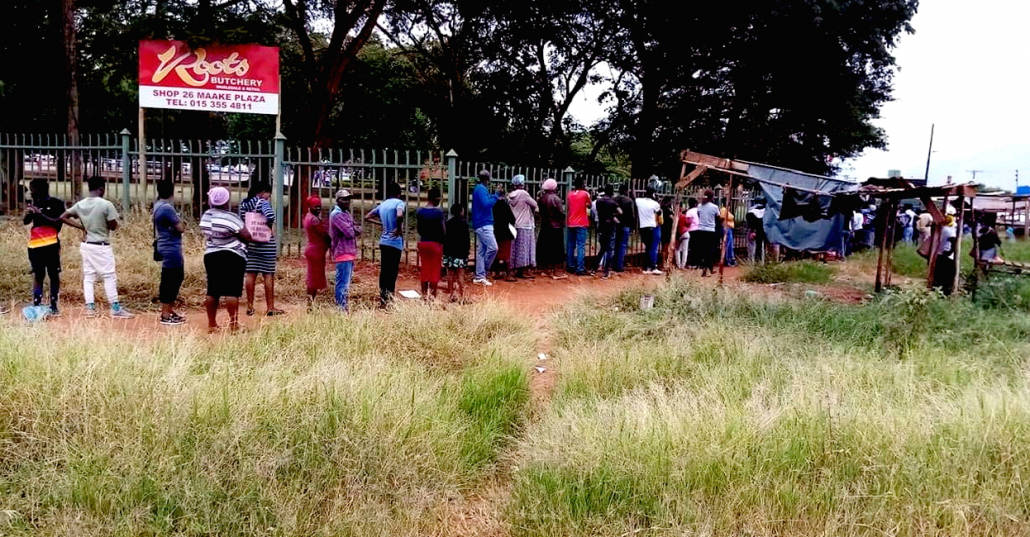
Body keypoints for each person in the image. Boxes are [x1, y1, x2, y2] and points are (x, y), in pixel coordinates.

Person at [60, 176, 133, 318]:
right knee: (109, 276)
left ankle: (90, 308)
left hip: (86, 245)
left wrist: (82, 227)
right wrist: (115, 224)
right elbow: (113, 226)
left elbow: (63, 216)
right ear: (102, 189)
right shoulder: (106, 205)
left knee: (89, 276)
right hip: (101, 245)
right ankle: (115, 307)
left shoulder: (81, 204)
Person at [199, 187, 251, 332]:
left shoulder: (206, 216)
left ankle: (212, 324)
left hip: (211, 255)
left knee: (212, 290)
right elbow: (247, 235)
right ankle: (233, 324)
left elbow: (206, 230)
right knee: (232, 290)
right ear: (226, 201)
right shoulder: (231, 217)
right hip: (232, 255)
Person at [238, 181, 283, 316]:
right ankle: (270, 307)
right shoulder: (262, 203)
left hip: (251, 242)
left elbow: (241, 221)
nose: (268, 197)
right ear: (263, 192)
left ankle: (250, 306)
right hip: (265, 243)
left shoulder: (244, 204)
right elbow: (270, 215)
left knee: (250, 274)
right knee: (268, 275)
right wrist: (269, 227)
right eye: (268, 194)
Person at [24, 178, 65, 315]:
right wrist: (29, 213)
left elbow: (57, 224)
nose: (31, 193)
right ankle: (37, 303)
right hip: (35, 245)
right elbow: (26, 222)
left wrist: (40, 214)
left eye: (33, 189)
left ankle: (53, 305)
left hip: (51, 244)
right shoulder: (35, 204)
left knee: (53, 274)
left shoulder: (56, 203)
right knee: (38, 274)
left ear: (41, 189)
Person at [366, 181, 406, 306]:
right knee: (392, 272)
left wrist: (381, 224)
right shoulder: (399, 203)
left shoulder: (382, 205)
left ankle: (383, 299)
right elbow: (399, 215)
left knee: (384, 271)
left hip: (384, 241)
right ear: (399, 193)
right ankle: (390, 298)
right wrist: (399, 228)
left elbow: (367, 217)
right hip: (395, 242)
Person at [153, 180, 186, 325]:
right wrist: (181, 222)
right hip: (171, 247)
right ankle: (166, 314)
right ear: (172, 191)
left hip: (164, 244)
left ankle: (168, 310)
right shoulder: (167, 208)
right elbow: (181, 227)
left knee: (171, 278)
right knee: (172, 279)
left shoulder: (158, 205)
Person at [329, 189, 360, 312]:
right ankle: (341, 309)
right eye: (344, 199)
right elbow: (350, 232)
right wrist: (354, 228)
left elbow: (357, 227)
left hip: (348, 252)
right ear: (337, 201)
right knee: (342, 283)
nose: (347, 201)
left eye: (348, 199)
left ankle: (343, 307)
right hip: (343, 252)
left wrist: (354, 228)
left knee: (345, 282)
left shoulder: (345, 213)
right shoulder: (337, 215)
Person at [471, 170, 500, 286]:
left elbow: (486, 201)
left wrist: (494, 196)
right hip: (484, 224)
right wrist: (496, 196)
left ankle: (479, 276)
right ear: (487, 179)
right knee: (494, 248)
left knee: (481, 252)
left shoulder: (479, 189)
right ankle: (484, 270)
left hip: (481, 223)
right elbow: (486, 204)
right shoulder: (481, 189)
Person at [416, 186, 446, 298]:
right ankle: (433, 296)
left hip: (423, 243)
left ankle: (424, 295)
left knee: (425, 269)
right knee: (434, 270)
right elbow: (443, 231)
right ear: (436, 198)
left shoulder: (420, 212)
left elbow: (419, 229)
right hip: (435, 244)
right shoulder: (438, 213)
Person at [302, 195, 331, 308]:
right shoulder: (313, 219)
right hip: (316, 251)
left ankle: (311, 303)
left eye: (319, 207)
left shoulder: (309, 216)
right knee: (313, 279)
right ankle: (310, 304)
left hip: (314, 250)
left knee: (313, 278)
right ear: (310, 207)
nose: (318, 209)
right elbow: (324, 234)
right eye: (315, 207)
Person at [507, 175, 538, 279]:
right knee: (525, 249)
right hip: (525, 225)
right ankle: (524, 271)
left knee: (515, 249)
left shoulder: (510, 195)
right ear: (521, 184)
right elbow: (534, 204)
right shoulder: (523, 193)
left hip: (514, 224)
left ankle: (514, 270)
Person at [536, 178, 567, 279]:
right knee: (556, 249)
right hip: (556, 226)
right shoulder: (556, 199)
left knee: (545, 248)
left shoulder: (541, 199)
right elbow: (561, 213)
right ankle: (556, 272)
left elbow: (540, 213)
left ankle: (544, 270)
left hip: (545, 225)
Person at [443, 202, 470, 302]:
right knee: (460, 275)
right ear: (461, 211)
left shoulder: (448, 223)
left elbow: (445, 238)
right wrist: (466, 252)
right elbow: (466, 240)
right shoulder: (464, 224)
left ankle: (451, 295)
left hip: (449, 252)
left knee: (450, 274)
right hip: (460, 253)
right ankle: (462, 296)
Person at [565, 177, 591, 276]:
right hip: (581, 223)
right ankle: (580, 268)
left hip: (571, 222)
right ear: (582, 184)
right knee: (581, 245)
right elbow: (589, 206)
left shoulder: (570, 194)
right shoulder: (585, 194)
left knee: (571, 245)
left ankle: (570, 266)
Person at [492, 185, 518, 282]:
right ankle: (508, 274)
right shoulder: (506, 206)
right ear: (504, 195)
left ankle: (497, 272)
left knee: (496, 252)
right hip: (505, 232)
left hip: (496, 231)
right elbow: (513, 219)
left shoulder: (493, 205)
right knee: (506, 254)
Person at [635, 187, 663, 275]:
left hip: (642, 227)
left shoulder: (639, 200)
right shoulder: (655, 203)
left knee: (648, 247)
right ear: (653, 194)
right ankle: (653, 267)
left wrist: (633, 188)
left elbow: (633, 196)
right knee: (652, 248)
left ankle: (646, 268)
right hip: (651, 226)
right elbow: (659, 213)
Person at [594, 184, 620, 278]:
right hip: (610, 228)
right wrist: (612, 215)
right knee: (610, 250)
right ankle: (606, 271)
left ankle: (594, 269)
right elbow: (620, 211)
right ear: (612, 192)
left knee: (602, 249)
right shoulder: (612, 202)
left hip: (601, 226)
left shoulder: (599, 201)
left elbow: (598, 211)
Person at [694, 189, 721, 276]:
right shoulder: (715, 207)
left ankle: (703, 268)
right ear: (712, 197)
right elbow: (718, 219)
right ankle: (709, 268)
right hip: (710, 231)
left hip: (701, 230)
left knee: (702, 250)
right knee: (710, 251)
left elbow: (699, 215)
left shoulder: (699, 206)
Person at [932, 215, 958, 296]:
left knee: (938, 276)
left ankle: (937, 292)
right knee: (948, 276)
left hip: (939, 254)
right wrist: (950, 252)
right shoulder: (950, 231)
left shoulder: (941, 229)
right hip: (947, 256)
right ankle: (946, 293)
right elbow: (954, 241)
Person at [613, 184, 636, 272]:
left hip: (616, 224)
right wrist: (633, 226)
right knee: (622, 245)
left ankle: (613, 264)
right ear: (626, 191)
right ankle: (619, 266)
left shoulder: (614, 199)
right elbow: (632, 215)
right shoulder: (629, 200)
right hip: (625, 225)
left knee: (615, 244)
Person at [674, 201, 694, 269]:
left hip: (678, 234)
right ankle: (683, 265)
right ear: (681, 208)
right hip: (685, 233)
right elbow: (688, 223)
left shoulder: (674, 216)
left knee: (677, 250)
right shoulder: (683, 216)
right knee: (685, 250)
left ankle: (678, 265)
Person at [685, 198, 700, 267]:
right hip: (699, 229)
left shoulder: (689, 212)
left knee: (692, 247)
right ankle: (698, 263)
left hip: (692, 230)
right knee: (698, 247)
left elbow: (688, 222)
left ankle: (693, 263)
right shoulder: (699, 210)